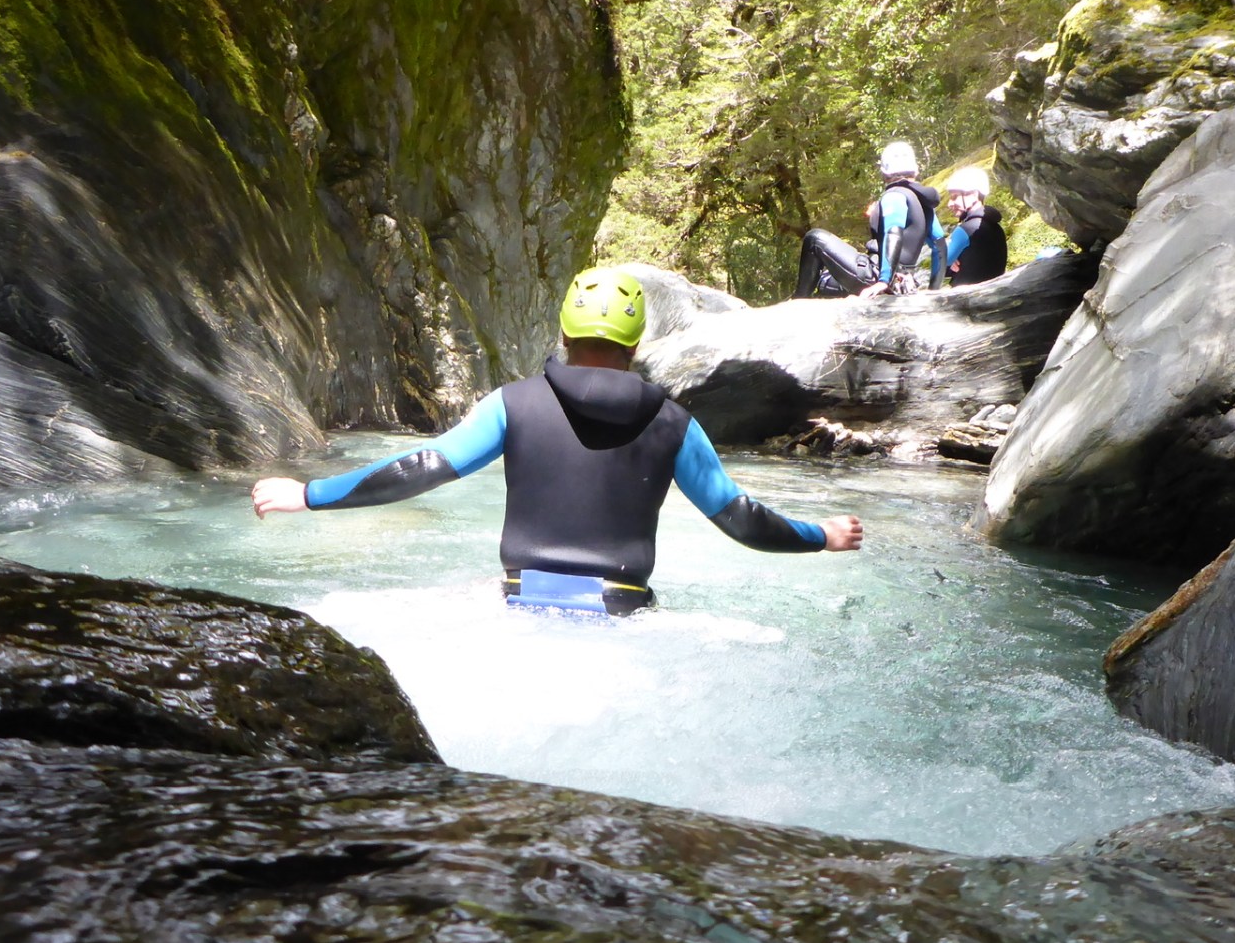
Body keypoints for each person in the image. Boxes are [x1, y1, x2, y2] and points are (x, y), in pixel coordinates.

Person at [252, 267, 863, 617]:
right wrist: (823, 537)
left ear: (565, 332)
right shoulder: (674, 423)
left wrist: (309, 494)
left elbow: (425, 466)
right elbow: (740, 520)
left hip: (517, 602)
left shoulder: (511, 404)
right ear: (637, 343)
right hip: (623, 610)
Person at [792, 141, 947, 298]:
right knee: (827, 281)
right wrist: (934, 290)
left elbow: (893, 233)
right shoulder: (923, 202)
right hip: (904, 280)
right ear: (915, 169)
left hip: (875, 275)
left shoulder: (894, 195)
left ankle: (798, 301)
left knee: (814, 238)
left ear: (885, 172)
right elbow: (940, 246)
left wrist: (884, 281)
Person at [944, 166, 1008, 286]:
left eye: (954, 197)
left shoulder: (965, 230)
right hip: (996, 290)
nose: (949, 204)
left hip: (966, 298)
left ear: (974, 194)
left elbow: (939, 267)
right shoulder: (996, 227)